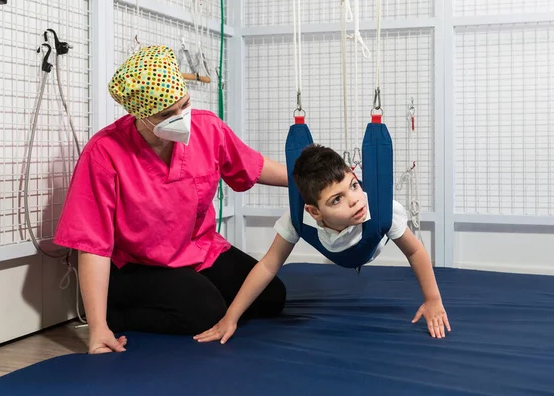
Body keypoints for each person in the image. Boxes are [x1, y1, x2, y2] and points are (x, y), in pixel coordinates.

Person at [53, 45, 288, 354]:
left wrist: (316, 181)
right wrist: (98, 328)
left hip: (198, 250)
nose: (181, 118)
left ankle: (188, 292)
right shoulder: (104, 153)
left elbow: (255, 167)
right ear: (141, 114)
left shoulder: (207, 128)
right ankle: (119, 312)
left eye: (185, 105)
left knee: (271, 296)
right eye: (167, 115)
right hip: (139, 265)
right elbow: (92, 244)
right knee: (207, 311)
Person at [195, 144, 451, 344]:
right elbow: (268, 265)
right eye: (337, 199)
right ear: (314, 211)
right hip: (336, 246)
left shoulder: (382, 211)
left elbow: (415, 250)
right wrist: (231, 317)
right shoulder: (298, 217)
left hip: (370, 244)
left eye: (353, 185)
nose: (354, 200)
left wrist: (433, 299)